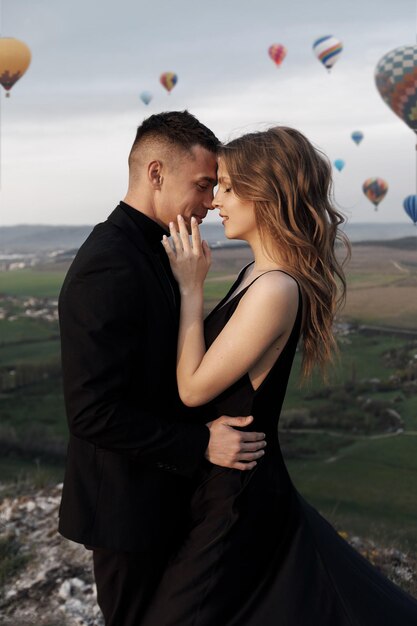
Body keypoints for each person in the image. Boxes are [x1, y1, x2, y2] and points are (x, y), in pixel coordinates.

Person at [141, 126, 417, 625]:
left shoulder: (275, 289)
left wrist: (190, 289)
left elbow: (192, 388)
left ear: (265, 192)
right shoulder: (255, 274)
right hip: (220, 480)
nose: (215, 201)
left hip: (236, 493)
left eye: (226, 187)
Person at [57, 110, 267, 626]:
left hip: (165, 497)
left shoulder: (157, 250)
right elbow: (91, 412)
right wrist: (201, 444)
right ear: (155, 174)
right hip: (127, 511)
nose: (209, 202)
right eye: (202, 185)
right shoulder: (109, 262)